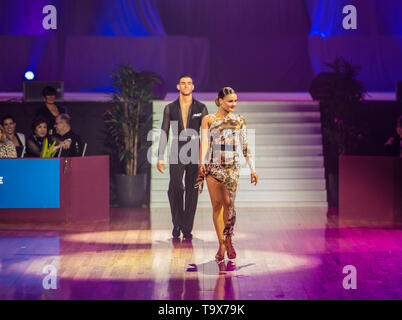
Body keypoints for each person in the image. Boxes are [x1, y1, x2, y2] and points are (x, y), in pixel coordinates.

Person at [196, 87, 258, 261]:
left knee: (229, 205)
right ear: (220, 101)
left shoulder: (239, 120)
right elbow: (205, 143)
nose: (233, 104)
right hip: (213, 168)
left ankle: (229, 239)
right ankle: (222, 243)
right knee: (217, 206)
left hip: (232, 168)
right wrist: (202, 162)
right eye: (230, 101)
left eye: (235, 101)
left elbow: (245, 146)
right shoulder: (208, 120)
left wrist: (252, 168)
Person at [156, 75, 208, 240]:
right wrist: (160, 156)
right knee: (175, 186)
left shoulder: (201, 107)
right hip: (176, 148)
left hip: (194, 149)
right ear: (178, 86)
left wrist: (204, 159)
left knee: (192, 190)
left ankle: (186, 227)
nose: (186, 86)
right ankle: (177, 223)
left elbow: (205, 136)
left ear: (193, 87)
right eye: (183, 83)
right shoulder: (170, 108)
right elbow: (164, 132)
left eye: (189, 83)